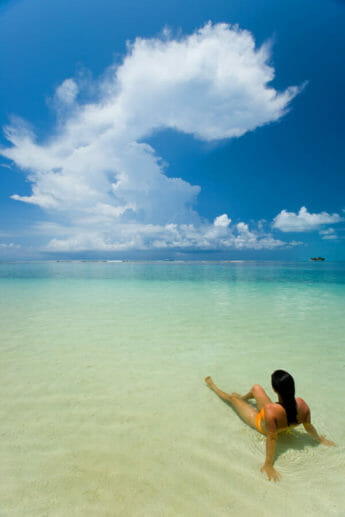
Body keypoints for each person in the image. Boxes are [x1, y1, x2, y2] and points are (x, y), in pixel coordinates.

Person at [205, 370, 336, 481]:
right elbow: (309, 427)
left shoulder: (270, 410)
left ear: (274, 389)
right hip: (276, 417)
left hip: (261, 423)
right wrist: (320, 440)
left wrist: (268, 464)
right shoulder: (302, 404)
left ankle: (213, 387)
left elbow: (272, 438)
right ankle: (243, 399)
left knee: (233, 400)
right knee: (256, 388)